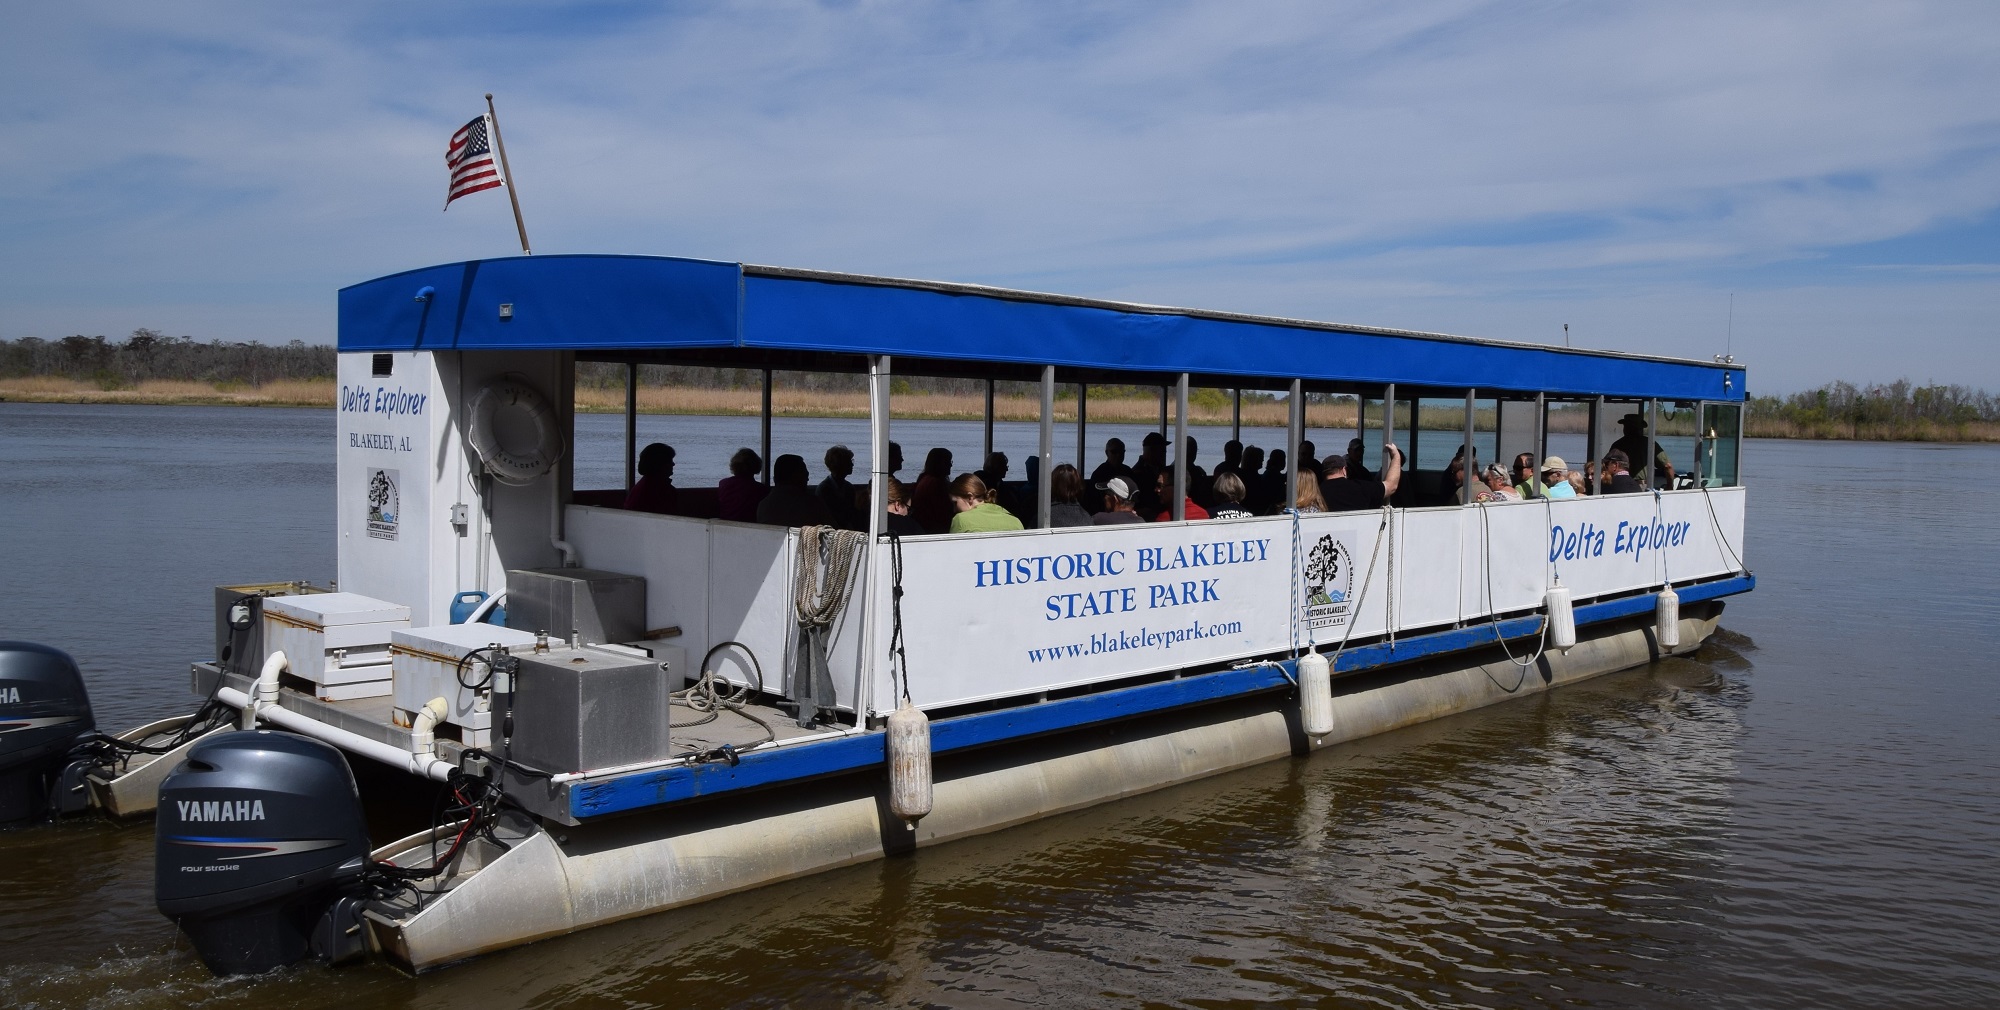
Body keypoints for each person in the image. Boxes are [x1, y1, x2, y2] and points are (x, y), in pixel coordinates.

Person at [756, 454, 834, 527]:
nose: (807, 479)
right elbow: (833, 530)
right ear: (796, 477)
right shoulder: (813, 504)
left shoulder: (763, 505)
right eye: (804, 475)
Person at [1321, 444, 1403, 512]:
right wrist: (1396, 456)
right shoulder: (1361, 487)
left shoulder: (1316, 492)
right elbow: (1391, 486)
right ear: (1344, 470)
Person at [1610, 413, 1675, 488]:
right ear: (1640, 428)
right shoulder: (1649, 443)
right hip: (1641, 485)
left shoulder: (1617, 445)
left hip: (1621, 484)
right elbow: (1668, 466)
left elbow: (1608, 467)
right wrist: (1670, 486)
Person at [948, 473, 1024, 533]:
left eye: (955, 503)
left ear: (970, 497)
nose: (954, 510)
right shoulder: (1015, 522)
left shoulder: (961, 520)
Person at [623, 442, 678, 515]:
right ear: (659, 464)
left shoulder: (644, 485)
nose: (673, 464)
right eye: (669, 461)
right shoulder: (660, 490)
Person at [716, 447, 768, 522]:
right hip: (751, 527)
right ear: (756, 466)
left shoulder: (723, 484)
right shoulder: (760, 489)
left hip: (725, 526)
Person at [912, 447, 955, 534]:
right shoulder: (935, 483)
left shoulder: (925, 479)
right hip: (934, 529)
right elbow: (942, 511)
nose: (950, 465)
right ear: (938, 463)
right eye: (947, 462)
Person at [818, 445, 862, 530]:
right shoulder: (824, 489)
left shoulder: (849, 488)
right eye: (849, 461)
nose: (852, 464)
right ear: (840, 464)